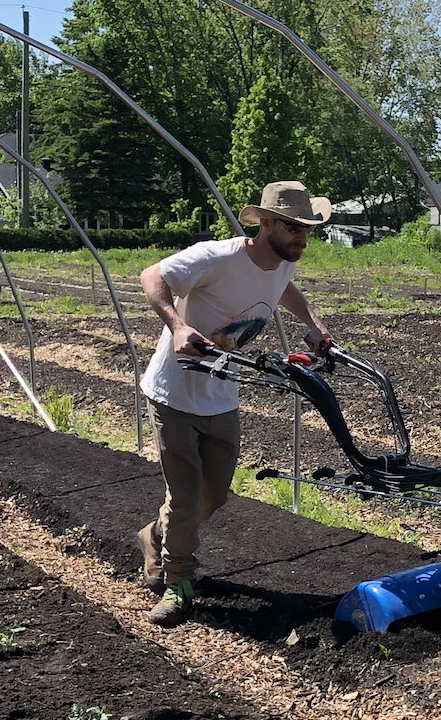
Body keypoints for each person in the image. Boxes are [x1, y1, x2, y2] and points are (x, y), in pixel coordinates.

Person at [135, 180, 334, 627]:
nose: (302, 237)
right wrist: (177, 327)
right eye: (291, 227)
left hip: (222, 395)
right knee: (185, 498)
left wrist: (314, 326)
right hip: (174, 393)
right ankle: (179, 584)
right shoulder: (217, 256)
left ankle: (155, 536)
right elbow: (151, 276)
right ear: (265, 224)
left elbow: (284, 288)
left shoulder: (282, 262)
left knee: (215, 495)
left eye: (307, 228)